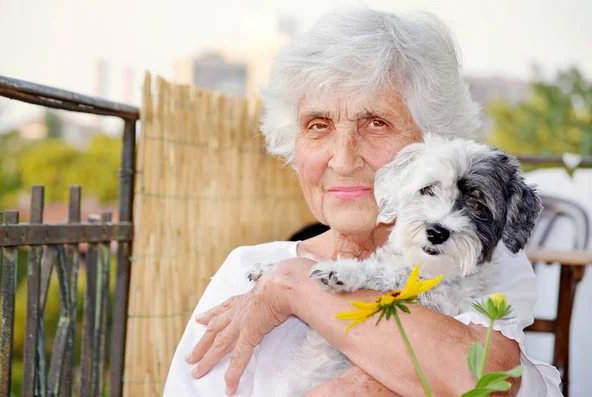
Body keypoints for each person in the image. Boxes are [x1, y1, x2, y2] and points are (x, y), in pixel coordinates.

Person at [164, 8, 562, 396]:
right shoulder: (244, 271)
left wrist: (295, 285)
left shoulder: (473, 260)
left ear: (433, 143)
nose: (342, 158)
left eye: (376, 123)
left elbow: (480, 381)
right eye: (318, 126)